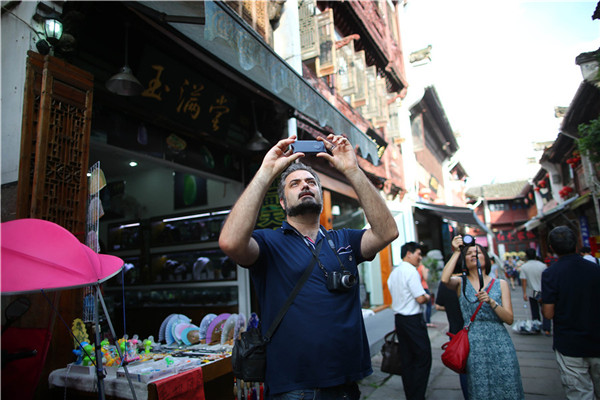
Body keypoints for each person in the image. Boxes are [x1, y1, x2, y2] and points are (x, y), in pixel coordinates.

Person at [219, 134, 399, 399]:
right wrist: (266, 172)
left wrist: (352, 169)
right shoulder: (269, 242)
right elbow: (231, 243)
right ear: (282, 203)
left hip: (346, 383)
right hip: (294, 387)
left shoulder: (343, 239)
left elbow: (386, 232)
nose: (305, 185)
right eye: (294, 183)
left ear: (320, 196)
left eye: (311, 182)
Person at [441, 235, 524, 399]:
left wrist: (492, 302)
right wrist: (457, 251)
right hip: (474, 343)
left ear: (485, 257)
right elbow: (444, 279)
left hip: (500, 341)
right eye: (469, 253)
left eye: (477, 252)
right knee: (480, 387)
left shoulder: (501, 284)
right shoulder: (460, 283)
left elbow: (509, 319)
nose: (473, 255)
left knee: (507, 384)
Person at [541, 226, 600, 399]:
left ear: (551, 247)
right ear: (576, 244)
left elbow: (548, 313)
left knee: (581, 394)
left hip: (569, 343)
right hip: (597, 339)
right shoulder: (595, 269)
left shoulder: (551, 274)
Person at [387, 242, 431, 400]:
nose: (420, 258)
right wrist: (427, 297)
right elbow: (420, 298)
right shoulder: (411, 271)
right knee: (423, 357)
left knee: (407, 359)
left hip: (400, 319)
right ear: (408, 253)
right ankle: (417, 395)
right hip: (412, 320)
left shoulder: (394, 272)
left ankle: (411, 395)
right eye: (418, 254)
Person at [435, 262, 468, 400]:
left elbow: (438, 306)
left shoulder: (445, 284)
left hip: (455, 333)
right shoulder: (470, 281)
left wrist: (450, 307)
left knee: (463, 369)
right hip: (471, 332)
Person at [520, 248, 551, 336]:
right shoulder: (542, 265)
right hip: (543, 290)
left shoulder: (524, 267)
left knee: (534, 310)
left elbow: (524, 281)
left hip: (531, 291)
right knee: (545, 309)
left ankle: (537, 327)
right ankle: (547, 329)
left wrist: (524, 293)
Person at [417, 262, 434, 327]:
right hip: (424, 287)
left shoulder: (416, 268)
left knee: (421, 306)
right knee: (428, 305)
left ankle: (422, 321)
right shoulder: (422, 267)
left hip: (419, 287)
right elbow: (425, 277)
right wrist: (426, 271)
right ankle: (428, 321)